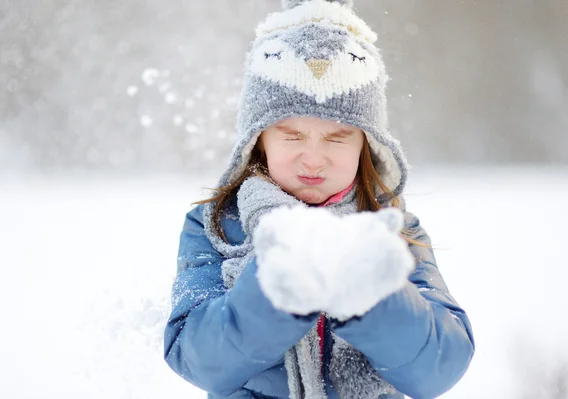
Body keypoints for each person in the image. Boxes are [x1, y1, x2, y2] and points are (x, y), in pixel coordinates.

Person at [163, 1, 475, 398]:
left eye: (337, 137)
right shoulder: (219, 226)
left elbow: (440, 368)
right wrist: (277, 291)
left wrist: (375, 297)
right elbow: (195, 358)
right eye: (291, 135)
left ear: (368, 145)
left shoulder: (393, 231)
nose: (312, 158)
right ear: (257, 139)